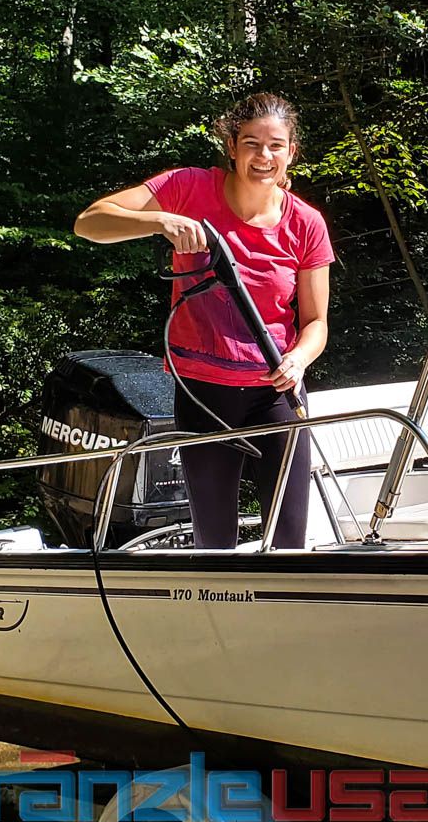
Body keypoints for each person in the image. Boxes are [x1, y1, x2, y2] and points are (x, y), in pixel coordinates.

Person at [74, 93, 333, 549]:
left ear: (291, 152)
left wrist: (297, 359)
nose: (263, 156)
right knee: (215, 543)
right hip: (203, 391)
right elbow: (90, 222)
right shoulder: (189, 187)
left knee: (290, 540)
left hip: (275, 392)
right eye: (252, 143)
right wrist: (159, 221)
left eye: (276, 145)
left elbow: (315, 323)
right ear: (232, 146)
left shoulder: (306, 223)